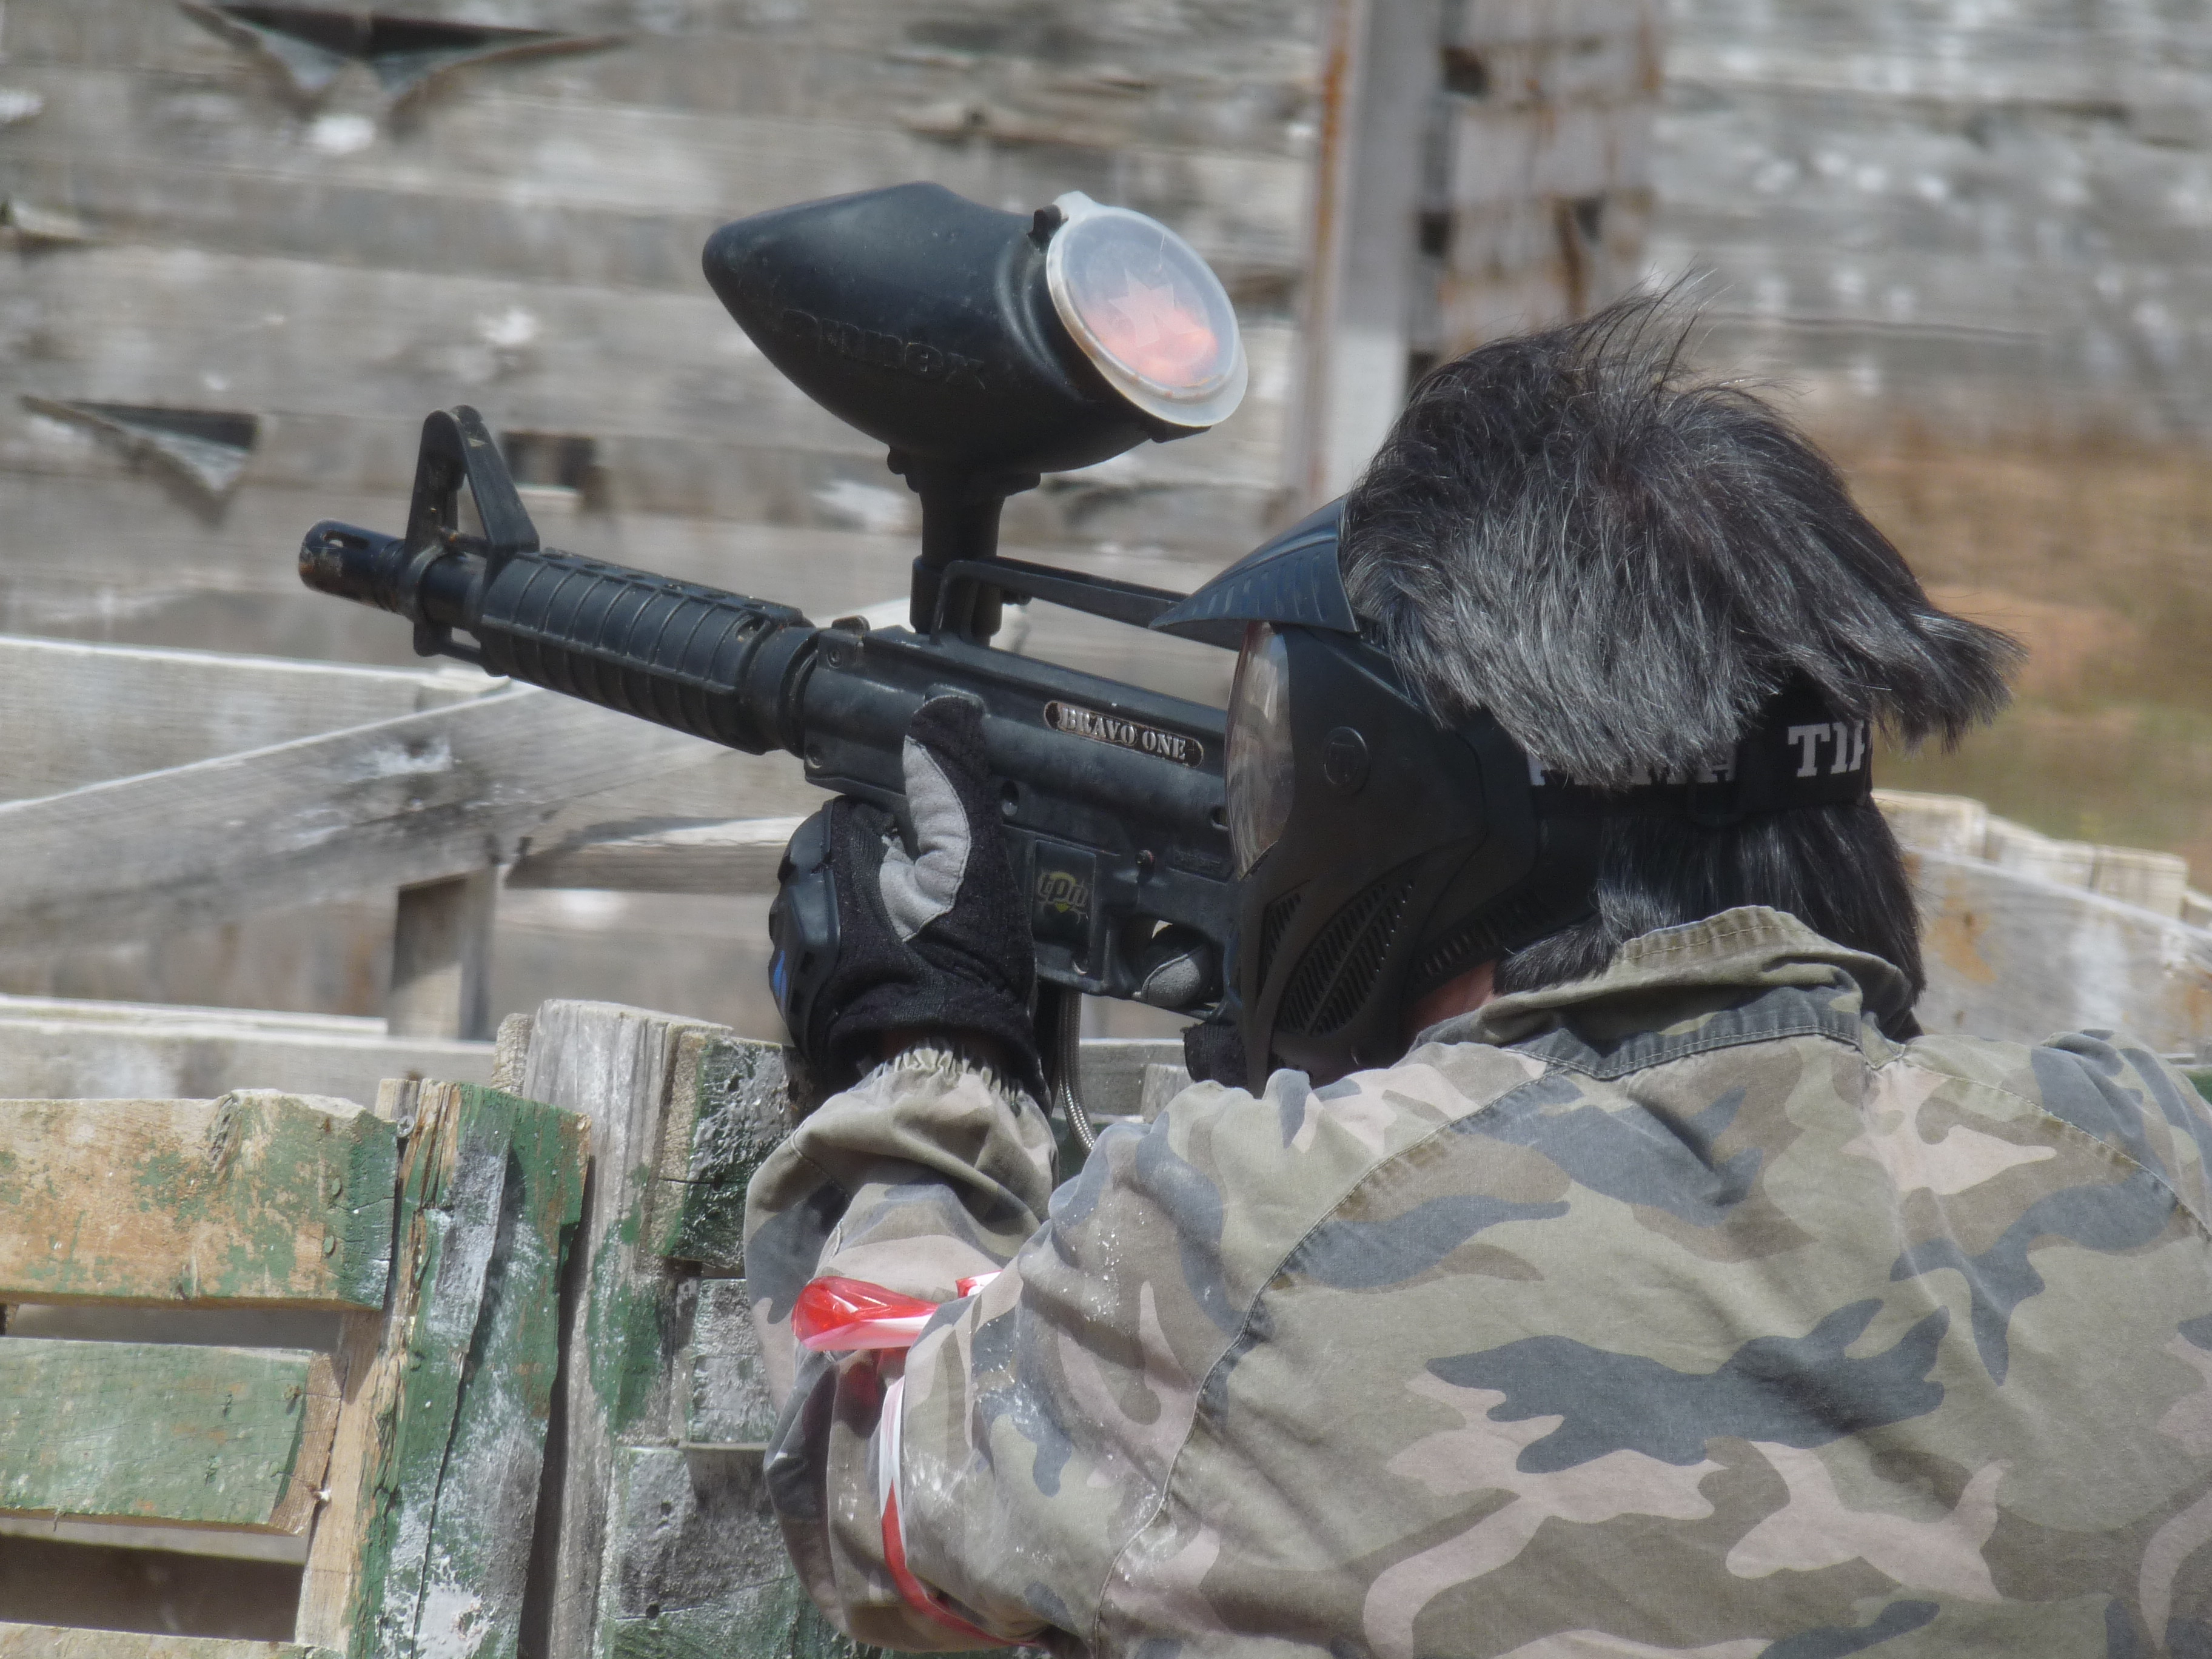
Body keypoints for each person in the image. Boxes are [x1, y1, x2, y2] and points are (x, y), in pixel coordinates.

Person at [743, 299, 2212, 1657]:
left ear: (1397, 813)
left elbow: (875, 1466)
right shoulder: (2164, 1163)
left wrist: (928, 1054)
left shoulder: (1252, 1241)